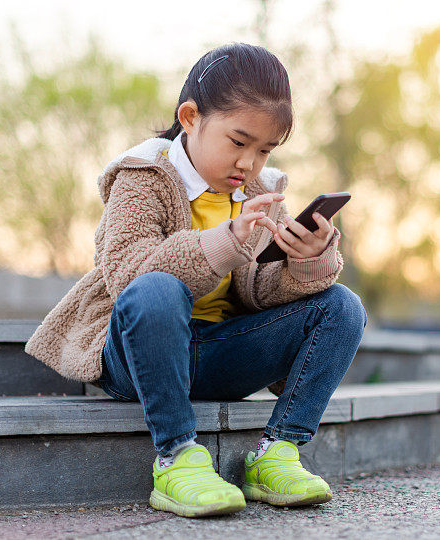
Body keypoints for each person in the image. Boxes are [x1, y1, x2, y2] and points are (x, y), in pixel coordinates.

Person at [24, 42, 367, 519]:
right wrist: (226, 240)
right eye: (238, 141)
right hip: (140, 356)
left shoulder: (260, 192)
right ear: (189, 117)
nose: (249, 163)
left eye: (265, 150)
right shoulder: (143, 177)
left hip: (220, 350)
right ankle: (177, 457)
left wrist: (302, 261)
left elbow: (257, 291)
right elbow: (129, 277)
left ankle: (279, 451)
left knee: (342, 306)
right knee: (158, 288)